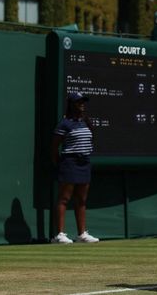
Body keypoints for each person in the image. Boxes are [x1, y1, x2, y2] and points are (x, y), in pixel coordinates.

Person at [51, 92, 99, 244]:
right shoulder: (64, 124)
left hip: (84, 163)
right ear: (71, 105)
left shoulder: (86, 122)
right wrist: (60, 164)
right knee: (64, 199)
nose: (82, 104)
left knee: (81, 200)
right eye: (79, 102)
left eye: (83, 102)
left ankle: (82, 234)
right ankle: (59, 235)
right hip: (69, 163)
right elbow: (53, 148)